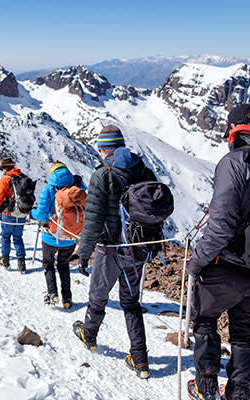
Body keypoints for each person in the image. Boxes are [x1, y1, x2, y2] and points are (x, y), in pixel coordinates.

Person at [186, 105, 250, 400]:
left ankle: (206, 389)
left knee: (204, 319)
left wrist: (196, 263)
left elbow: (221, 228)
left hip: (230, 264)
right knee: (243, 329)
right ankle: (238, 394)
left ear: (234, 129)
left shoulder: (235, 162)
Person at [72, 125, 156, 379]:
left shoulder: (101, 175)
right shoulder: (142, 168)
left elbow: (93, 220)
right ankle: (140, 359)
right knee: (130, 302)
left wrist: (84, 253)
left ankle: (90, 335)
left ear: (104, 149)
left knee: (98, 295)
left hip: (109, 248)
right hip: (136, 247)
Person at [31, 162, 86, 309]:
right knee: (64, 266)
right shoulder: (77, 189)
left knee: (48, 264)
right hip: (71, 237)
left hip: (51, 237)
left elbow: (41, 215)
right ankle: (67, 298)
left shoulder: (49, 190)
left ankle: (52, 293)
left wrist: (32, 212)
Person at [0, 157, 28, 273]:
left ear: (5, 168)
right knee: (18, 237)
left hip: (8, 212)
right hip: (21, 212)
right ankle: (21, 263)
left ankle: (5, 260)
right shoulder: (23, 177)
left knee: (5, 236)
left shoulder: (5, 179)